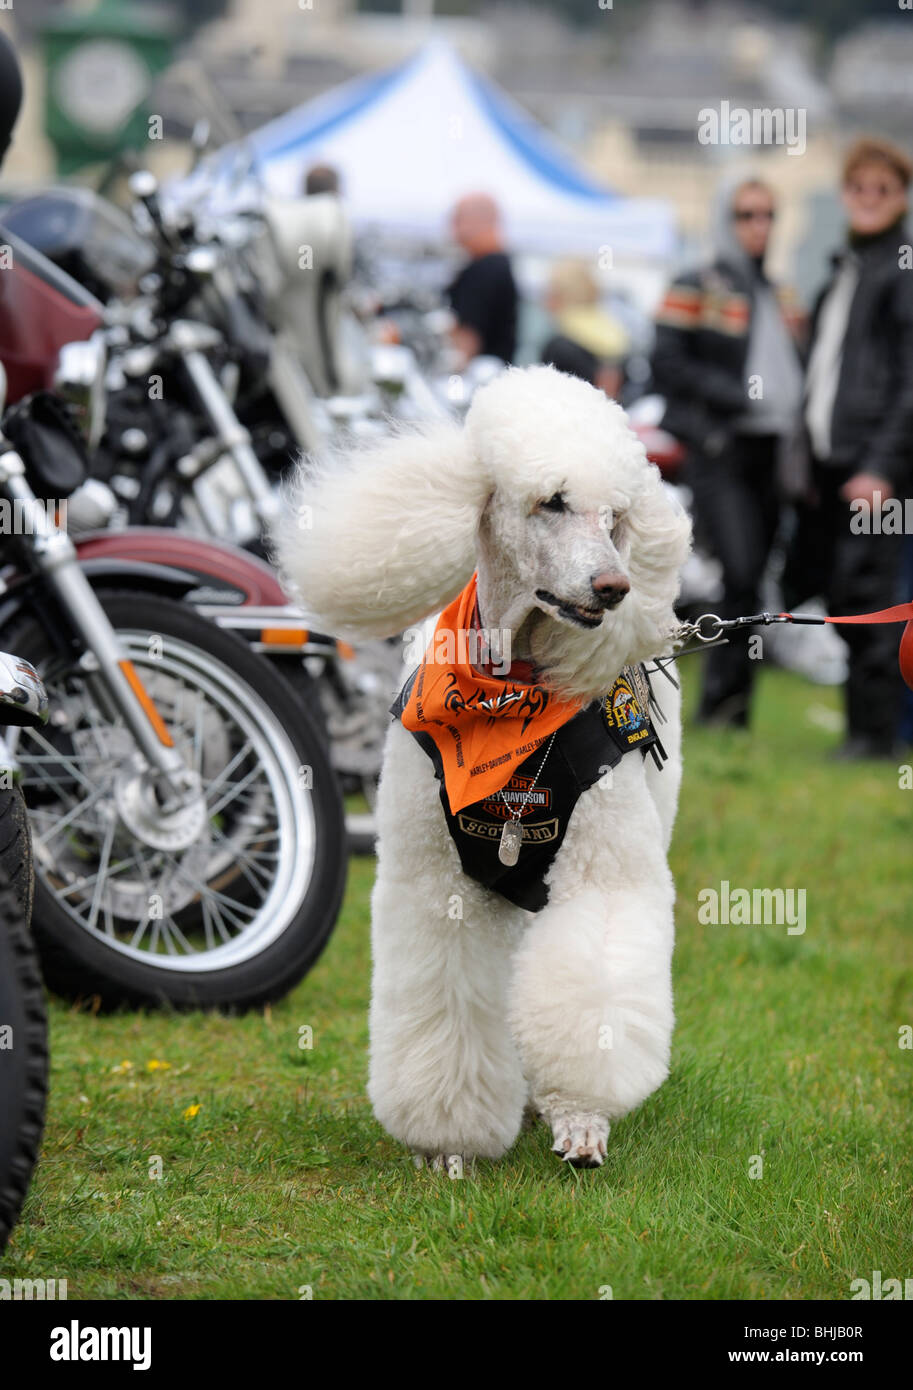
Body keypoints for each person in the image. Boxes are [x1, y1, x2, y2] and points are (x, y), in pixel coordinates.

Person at [651, 176, 804, 727]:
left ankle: (734, 709)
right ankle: (719, 703)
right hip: (722, 452)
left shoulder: (781, 294)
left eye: (767, 215)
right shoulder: (695, 284)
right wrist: (734, 398)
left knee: (754, 579)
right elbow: (665, 363)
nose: (758, 226)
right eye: (746, 215)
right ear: (725, 219)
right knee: (737, 571)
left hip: (773, 454)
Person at [784, 137, 913, 759]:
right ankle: (864, 733)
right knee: (838, 591)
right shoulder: (846, 269)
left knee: (872, 598)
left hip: (872, 469)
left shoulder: (902, 271)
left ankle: (875, 739)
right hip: (833, 466)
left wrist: (881, 467)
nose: (868, 199)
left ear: (901, 198)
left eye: (882, 190)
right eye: (859, 188)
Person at [447, 193, 518, 365]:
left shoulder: (485, 269)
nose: (452, 228)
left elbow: (468, 339)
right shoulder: (499, 265)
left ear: (478, 221)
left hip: (477, 376)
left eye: (457, 219)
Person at [542, 258, 629, 398]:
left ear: (563, 296)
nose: (545, 301)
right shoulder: (614, 332)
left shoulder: (560, 345)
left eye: (550, 293)